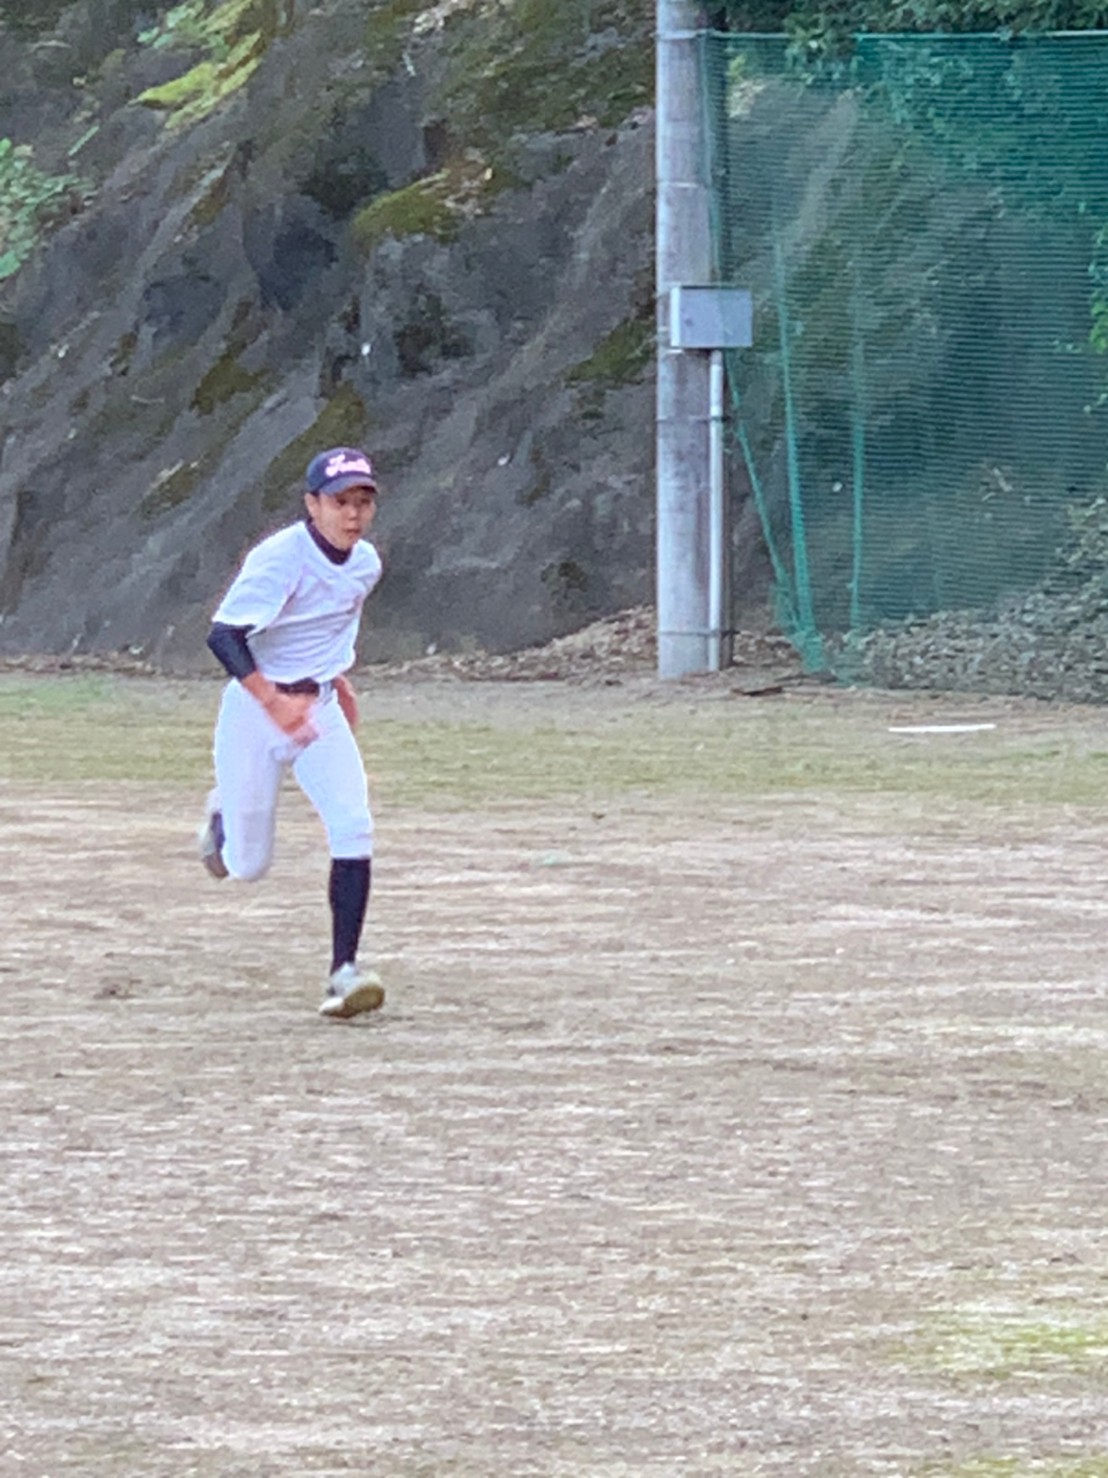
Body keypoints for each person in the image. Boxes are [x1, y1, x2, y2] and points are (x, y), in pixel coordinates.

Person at [198, 445, 386, 1020]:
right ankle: (222, 818)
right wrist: (273, 702)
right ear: (312, 504)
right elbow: (224, 636)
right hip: (254, 710)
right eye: (339, 501)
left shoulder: (365, 563)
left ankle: (344, 972)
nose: (352, 513)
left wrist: (336, 676)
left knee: (353, 825)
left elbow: (331, 621)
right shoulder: (281, 558)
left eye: (363, 501)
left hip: (318, 709)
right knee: (247, 866)